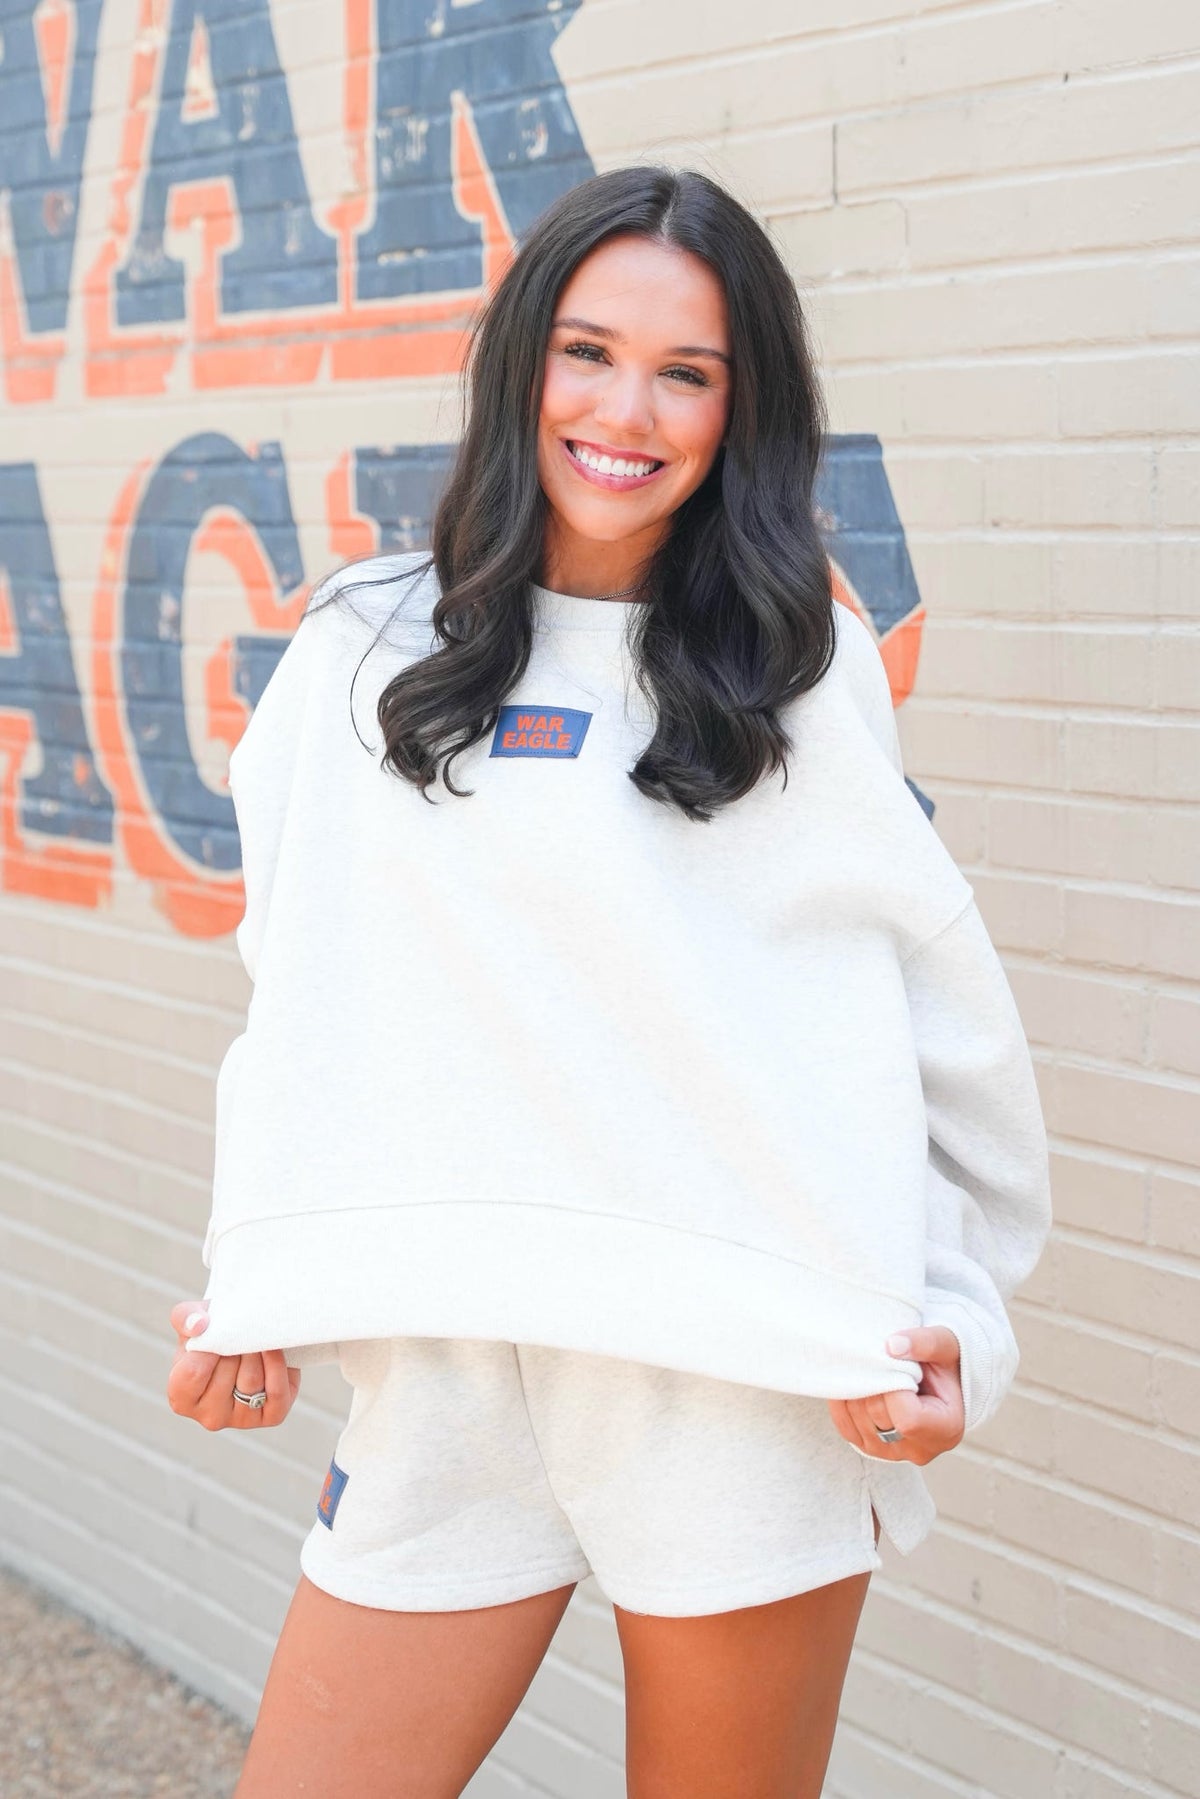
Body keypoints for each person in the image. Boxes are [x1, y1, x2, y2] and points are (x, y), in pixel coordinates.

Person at [166, 165, 1052, 1799]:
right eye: (588, 351)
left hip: (739, 1374)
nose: (625, 410)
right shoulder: (362, 645)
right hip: (447, 1369)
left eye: (687, 372)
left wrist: (961, 1328)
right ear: (523, 364)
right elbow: (301, 988)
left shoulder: (800, 659)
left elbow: (921, 1015)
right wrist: (265, 1275)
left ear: (743, 406)